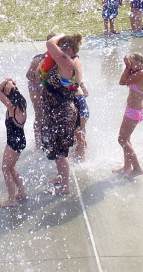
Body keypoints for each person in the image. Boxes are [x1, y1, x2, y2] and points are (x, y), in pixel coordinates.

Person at [39, 34, 84, 194]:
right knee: (59, 150)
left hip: (61, 113)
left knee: (61, 152)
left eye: (61, 48)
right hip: (59, 110)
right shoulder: (74, 59)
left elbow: (49, 43)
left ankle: (65, 186)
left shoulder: (67, 62)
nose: (56, 51)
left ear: (68, 50)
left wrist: (60, 35)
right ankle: (60, 176)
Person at [114, 52, 143, 179]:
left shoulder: (141, 74)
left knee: (122, 140)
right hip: (131, 109)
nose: (130, 65)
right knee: (126, 139)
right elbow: (123, 81)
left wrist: (127, 68)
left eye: (132, 63)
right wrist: (129, 67)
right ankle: (127, 166)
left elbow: (122, 82)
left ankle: (137, 168)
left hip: (134, 111)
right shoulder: (138, 71)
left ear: (139, 63)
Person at [0, 78, 28, 207]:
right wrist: (11, 82)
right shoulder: (21, 102)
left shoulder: (11, 106)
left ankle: (12, 200)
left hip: (13, 142)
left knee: (5, 169)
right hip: (20, 140)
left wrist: (6, 81)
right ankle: (22, 193)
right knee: (11, 168)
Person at [25, 54, 48, 153]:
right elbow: (28, 75)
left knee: (49, 113)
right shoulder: (38, 59)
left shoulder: (60, 58)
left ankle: (48, 139)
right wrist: (39, 82)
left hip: (46, 87)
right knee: (39, 113)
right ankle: (38, 143)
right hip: (34, 86)